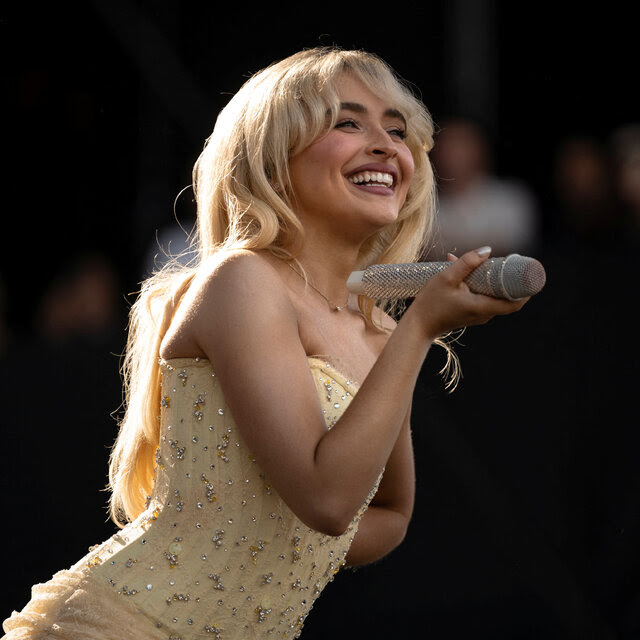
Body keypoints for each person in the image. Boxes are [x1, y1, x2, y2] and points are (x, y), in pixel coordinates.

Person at [2, 47, 528, 640]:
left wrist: (269, 523)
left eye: (397, 130)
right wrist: (420, 328)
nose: (385, 144)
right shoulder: (244, 279)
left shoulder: (378, 329)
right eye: (348, 121)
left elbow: (389, 516)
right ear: (273, 159)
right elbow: (330, 502)